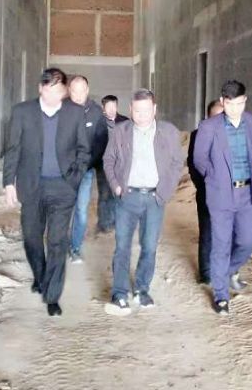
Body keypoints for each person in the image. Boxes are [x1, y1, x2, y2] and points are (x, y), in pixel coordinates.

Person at [2, 68, 90, 316]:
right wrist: (9, 183)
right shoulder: (22, 112)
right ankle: (41, 277)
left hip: (63, 187)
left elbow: (84, 149)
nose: (53, 95)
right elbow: (13, 149)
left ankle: (52, 295)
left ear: (64, 91)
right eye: (49, 89)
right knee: (32, 238)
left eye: (58, 90)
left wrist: (74, 179)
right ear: (40, 88)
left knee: (57, 241)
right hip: (32, 186)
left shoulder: (74, 113)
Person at [102, 89, 184, 315]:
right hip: (127, 197)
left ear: (154, 109)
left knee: (149, 246)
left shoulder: (168, 132)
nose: (142, 115)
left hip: (154, 199)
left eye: (146, 110)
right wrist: (116, 186)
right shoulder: (121, 131)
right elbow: (108, 160)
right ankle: (120, 293)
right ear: (130, 110)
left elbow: (177, 162)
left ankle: (141, 289)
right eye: (137, 110)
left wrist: (165, 192)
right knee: (122, 246)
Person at [192, 80, 252, 315]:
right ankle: (221, 295)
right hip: (221, 194)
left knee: (248, 240)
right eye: (230, 104)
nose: (235, 109)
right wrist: (215, 179)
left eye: (240, 103)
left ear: (245, 101)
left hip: (247, 193)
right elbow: (199, 160)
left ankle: (227, 271)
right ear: (223, 102)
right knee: (220, 245)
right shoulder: (208, 127)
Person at [67, 75, 108, 263]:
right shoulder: (61, 110)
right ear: (69, 91)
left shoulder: (96, 112)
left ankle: (75, 248)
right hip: (63, 171)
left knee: (81, 210)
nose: (77, 95)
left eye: (81, 91)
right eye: (74, 91)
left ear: (87, 90)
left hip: (86, 171)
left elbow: (101, 142)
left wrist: (87, 164)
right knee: (60, 210)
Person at [188, 99, 225, 285]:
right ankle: (206, 274)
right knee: (208, 233)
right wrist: (203, 186)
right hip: (207, 192)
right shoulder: (197, 136)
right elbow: (193, 165)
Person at [92, 95, 129, 233]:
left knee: (118, 192)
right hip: (102, 164)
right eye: (108, 106)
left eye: (114, 106)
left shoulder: (125, 122)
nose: (112, 109)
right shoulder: (98, 122)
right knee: (104, 193)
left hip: (120, 165)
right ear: (103, 107)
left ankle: (117, 222)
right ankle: (104, 224)